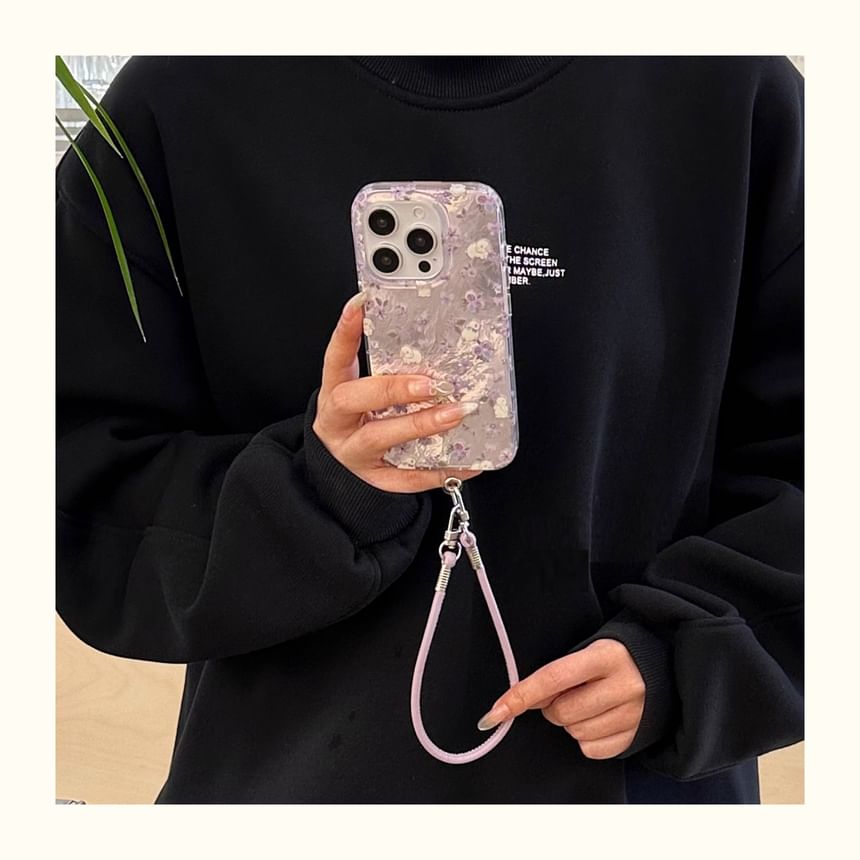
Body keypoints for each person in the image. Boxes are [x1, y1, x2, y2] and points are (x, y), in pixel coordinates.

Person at [55, 55, 803, 804]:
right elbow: (79, 482)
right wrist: (315, 495)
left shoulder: (726, 83)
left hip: (638, 792)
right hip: (287, 787)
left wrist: (692, 655)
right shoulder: (184, 92)